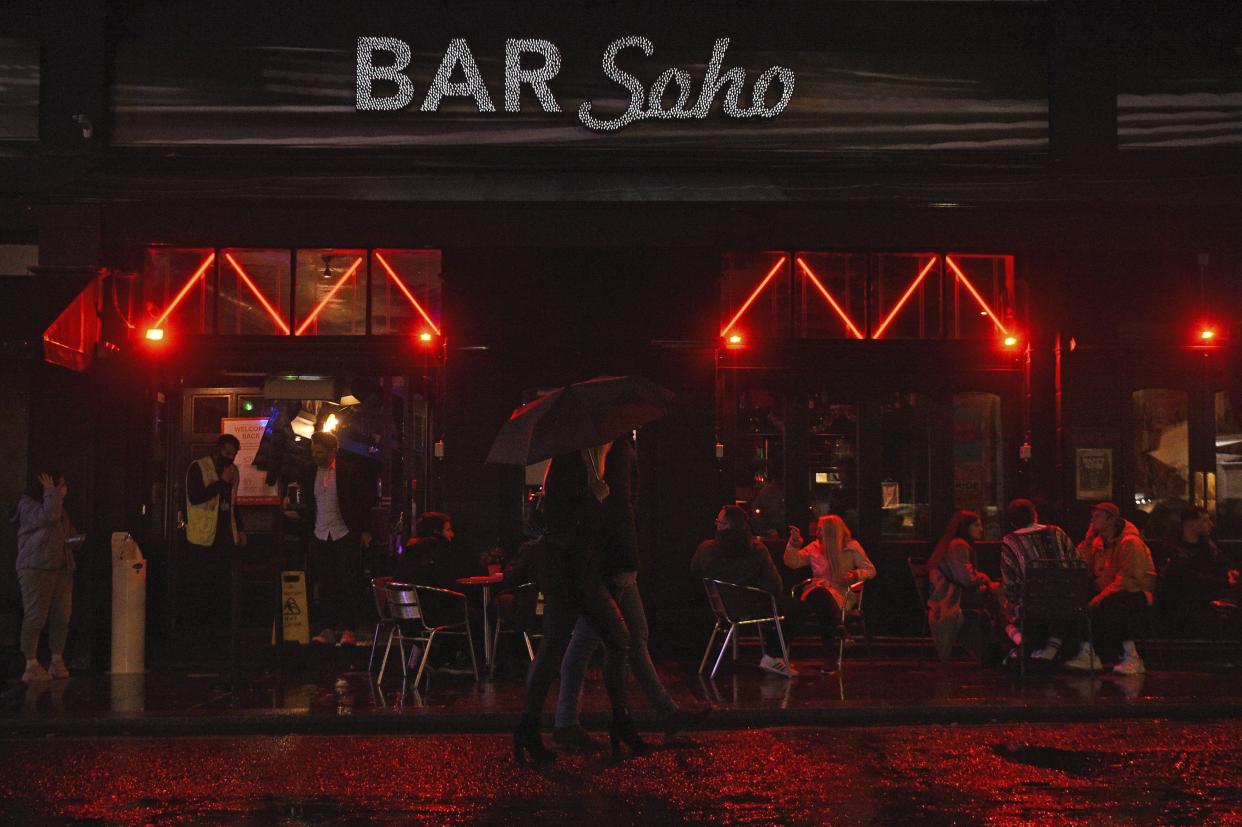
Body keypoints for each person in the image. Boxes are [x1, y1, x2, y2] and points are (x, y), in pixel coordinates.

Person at [552, 437, 707, 752]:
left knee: (617, 639)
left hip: (590, 564)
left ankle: (664, 715)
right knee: (614, 640)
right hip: (612, 563)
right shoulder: (616, 450)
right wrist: (629, 561)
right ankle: (575, 722)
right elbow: (623, 508)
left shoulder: (577, 456)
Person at [514, 447, 643, 765]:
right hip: (571, 572)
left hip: (581, 570)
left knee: (561, 647)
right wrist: (594, 496)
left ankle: (529, 729)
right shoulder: (568, 461)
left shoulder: (594, 461)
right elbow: (559, 519)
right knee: (616, 640)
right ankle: (619, 723)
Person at [691, 504, 794, 676]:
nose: (716, 524)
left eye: (719, 521)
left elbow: (694, 570)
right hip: (750, 606)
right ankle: (772, 655)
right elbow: (775, 586)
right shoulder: (757, 550)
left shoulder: (706, 548)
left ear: (727, 526)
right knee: (796, 608)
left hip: (720, 609)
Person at [293, 431, 375, 646]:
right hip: (321, 532)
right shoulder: (310, 472)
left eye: (319, 452)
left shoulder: (348, 471)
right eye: (313, 452)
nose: (315, 456)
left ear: (333, 451)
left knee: (349, 580)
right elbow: (310, 502)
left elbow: (362, 502)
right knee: (325, 581)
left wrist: (365, 530)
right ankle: (327, 627)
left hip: (344, 531)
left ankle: (349, 628)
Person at [1066, 502, 1157, 675]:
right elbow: (1080, 566)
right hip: (1111, 589)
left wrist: (1099, 599)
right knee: (1079, 598)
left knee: (1114, 603)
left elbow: (1129, 580)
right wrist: (1088, 540)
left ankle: (1132, 657)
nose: (1092, 521)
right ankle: (1088, 654)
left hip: (1137, 592)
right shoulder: (1099, 542)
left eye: (1097, 516)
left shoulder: (1130, 542)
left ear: (1111, 520)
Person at [783, 514, 877, 673]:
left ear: (832, 532)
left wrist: (855, 575)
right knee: (820, 594)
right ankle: (839, 633)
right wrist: (793, 544)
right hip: (815, 592)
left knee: (825, 608)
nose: (817, 533)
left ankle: (832, 651)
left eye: (820, 530)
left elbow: (871, 570)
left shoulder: (851, 547)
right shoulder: (814, 547)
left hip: (841, 594)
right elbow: (793, 562)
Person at [183, 434, 248, 650]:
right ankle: (198, 635)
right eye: (227, 453)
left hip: (224, 537)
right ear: (217, 450)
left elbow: (233, 503)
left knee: (221, 587)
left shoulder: (234, 472)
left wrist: (240, 529)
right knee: (201, 587)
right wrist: (222, 482)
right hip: (201, 537)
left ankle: (220, 634)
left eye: (234, 454)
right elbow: (196, 496)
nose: (231, 458)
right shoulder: (199, 467)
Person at [998, 498, 1081, 663]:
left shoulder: (1010, 541)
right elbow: (1077, 562)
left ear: (1013, 522)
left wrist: (1010, 600)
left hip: (1030, 605)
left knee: (999, 609)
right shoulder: (1057, 532)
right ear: (1035, 515)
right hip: (1067, 602)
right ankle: (1050, 650)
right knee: (1058, 612)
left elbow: (1010, 581)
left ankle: (1022, 643)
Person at [14, 470, 76, 683]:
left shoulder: (57, 506)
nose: (64, 489)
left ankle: (56, 658)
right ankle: (30, 663)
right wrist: (51, 492)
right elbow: (50, 516)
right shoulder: (29, 505)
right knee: (36, 615)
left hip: (60, 568)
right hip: (36, 567)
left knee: (61, 616)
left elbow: (60, 526)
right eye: (61, 483)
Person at [926, 510, 1003, 662]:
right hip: (954, 597)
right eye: (977, 525)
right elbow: (967, 579)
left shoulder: (953, 544)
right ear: (965, 527)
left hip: (956, 594)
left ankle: (997, 641)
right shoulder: (958, 545)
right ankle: (1002, 640)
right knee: (1000, 591)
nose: (981, 529)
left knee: (996, 592)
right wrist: (985, 578)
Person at [1160, 505, 1240, 638]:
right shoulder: (1176, 549)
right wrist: (1226, 582)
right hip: (1186, 603)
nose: (1210, 524)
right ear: (1191, 523)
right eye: (1205, 520)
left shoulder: (1207, 545)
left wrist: (1230, 571)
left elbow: (1222, 562)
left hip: (1205, 595)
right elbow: (1190, 579)